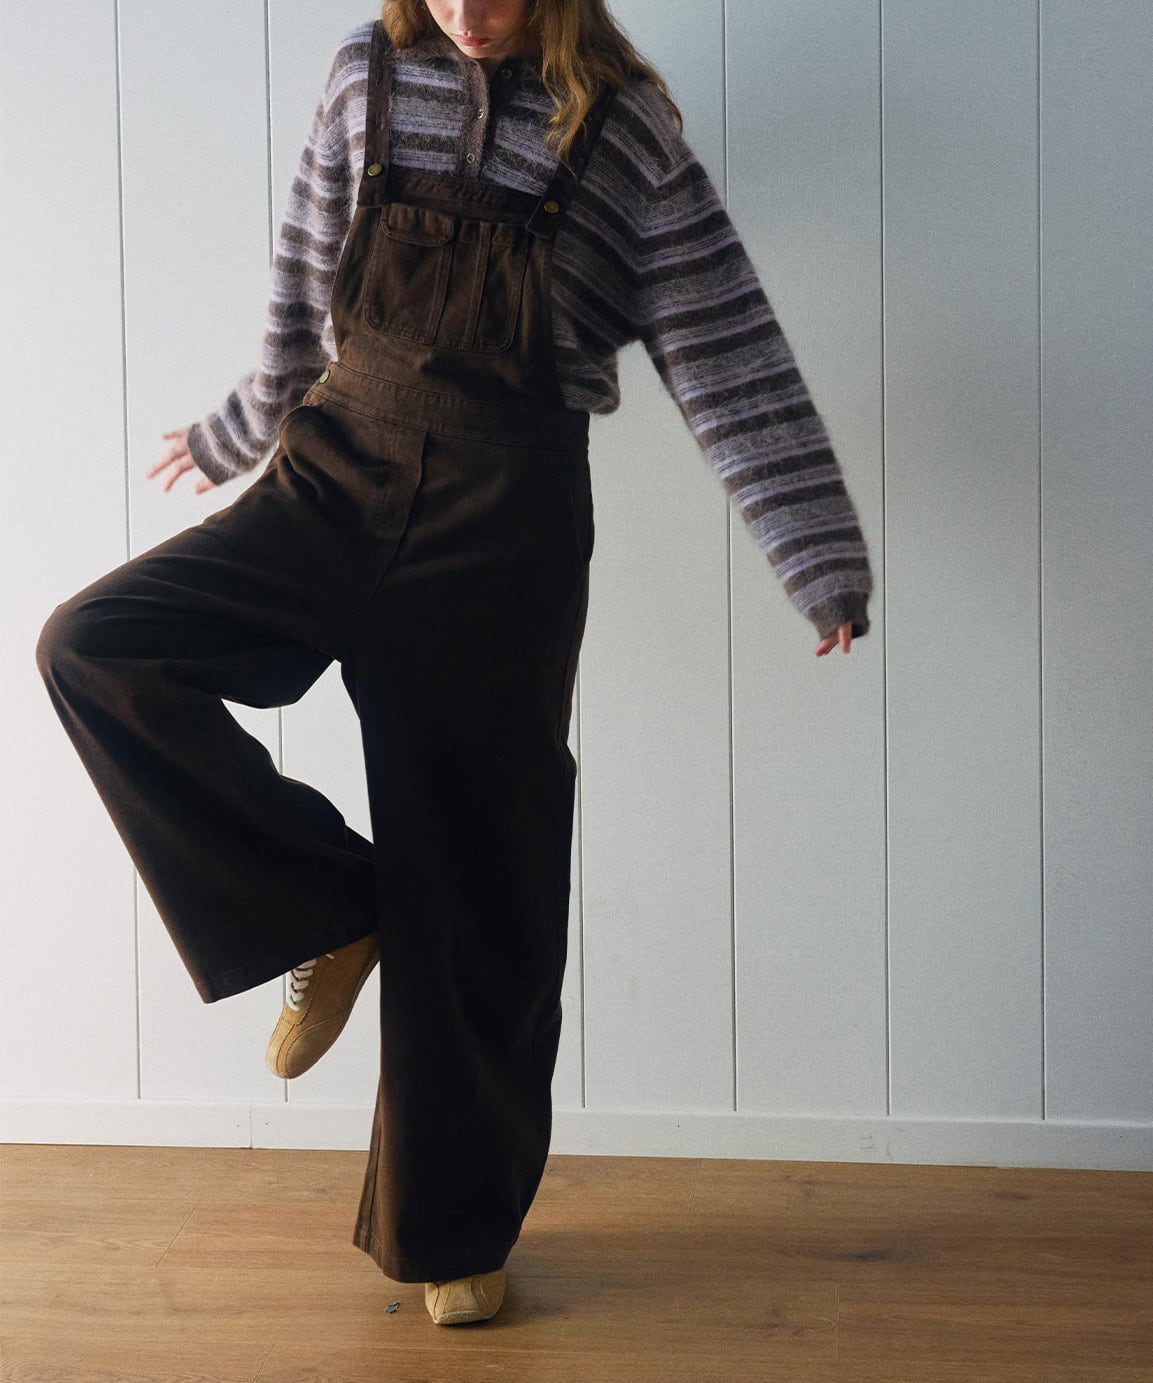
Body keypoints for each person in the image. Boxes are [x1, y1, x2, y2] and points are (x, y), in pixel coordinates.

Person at [35, 0, 874, 1329]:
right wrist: (234, 430)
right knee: (97, 649)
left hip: (505, 525)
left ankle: (455, 1232)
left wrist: (814, 550)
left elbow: (726, 348)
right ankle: (332, 908)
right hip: (332, 479)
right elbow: (302, 292)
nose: (469, 13)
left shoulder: (625, 133)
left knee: (478, 882)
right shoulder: (365, 79)